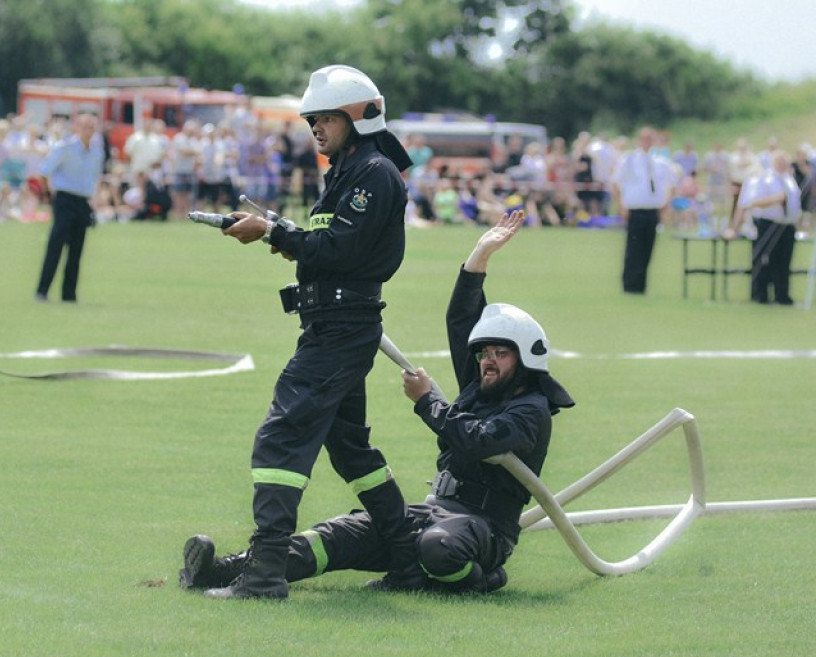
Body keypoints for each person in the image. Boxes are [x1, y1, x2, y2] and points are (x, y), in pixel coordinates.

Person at [180, 210, 575, 594]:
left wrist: (428, 403)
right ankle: (224, 570)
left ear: (525, 361)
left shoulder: (531, 409)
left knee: (436, 549)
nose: (488, 361)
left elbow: (479, 440)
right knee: (336, 536)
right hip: (433, 511)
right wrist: (480, 255)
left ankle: (485, 580)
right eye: (485, 352)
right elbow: (462, 321)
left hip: (482, 528)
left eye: (500, 354)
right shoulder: (482, 386)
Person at [197, 65, 418, 600]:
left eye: (324, 117)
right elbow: (327, 244)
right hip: (335, 324)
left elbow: (339, 250)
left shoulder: (373, 173)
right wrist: (279, 230)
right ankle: (409, 560)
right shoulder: (347, 171)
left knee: (282, 436)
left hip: (340, 330)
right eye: (311, 119)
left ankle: (265, 573)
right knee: (351, 450)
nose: (314, 126)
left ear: (358, 117)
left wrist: (275, 231)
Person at [34, 113, 104, 303]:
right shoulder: (65, 147)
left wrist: (94, 204)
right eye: (85, 127)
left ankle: (69, 294)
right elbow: (44, 171)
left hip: (82, 202)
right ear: (77, 128)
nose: (88, 131)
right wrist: (49, 196)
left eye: (91, 127)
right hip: (64, 199)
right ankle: (42, 290)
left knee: (77, 250)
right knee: (55, 247)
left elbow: (95, 179)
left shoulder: (97, 152)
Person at [611, 126, 679, 294]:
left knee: (647, 248)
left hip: (652, 210)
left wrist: (665, 204)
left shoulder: (660, 162)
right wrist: (621, 205)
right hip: (635, 209)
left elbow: (672, 183)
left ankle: (641, 284)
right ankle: (629, 284)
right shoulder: (629, 160)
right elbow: (616, 183)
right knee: (633, 248)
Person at [730, 151, 801, 305]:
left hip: (787, 225)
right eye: (779, 160)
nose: (782, 164)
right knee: (766, 259)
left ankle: (782, 295)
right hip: (769, 223)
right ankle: (760, 294)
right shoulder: (764, 179)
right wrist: (775, 200)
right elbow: (751, 202)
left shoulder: (789, 179)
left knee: (784, 262)